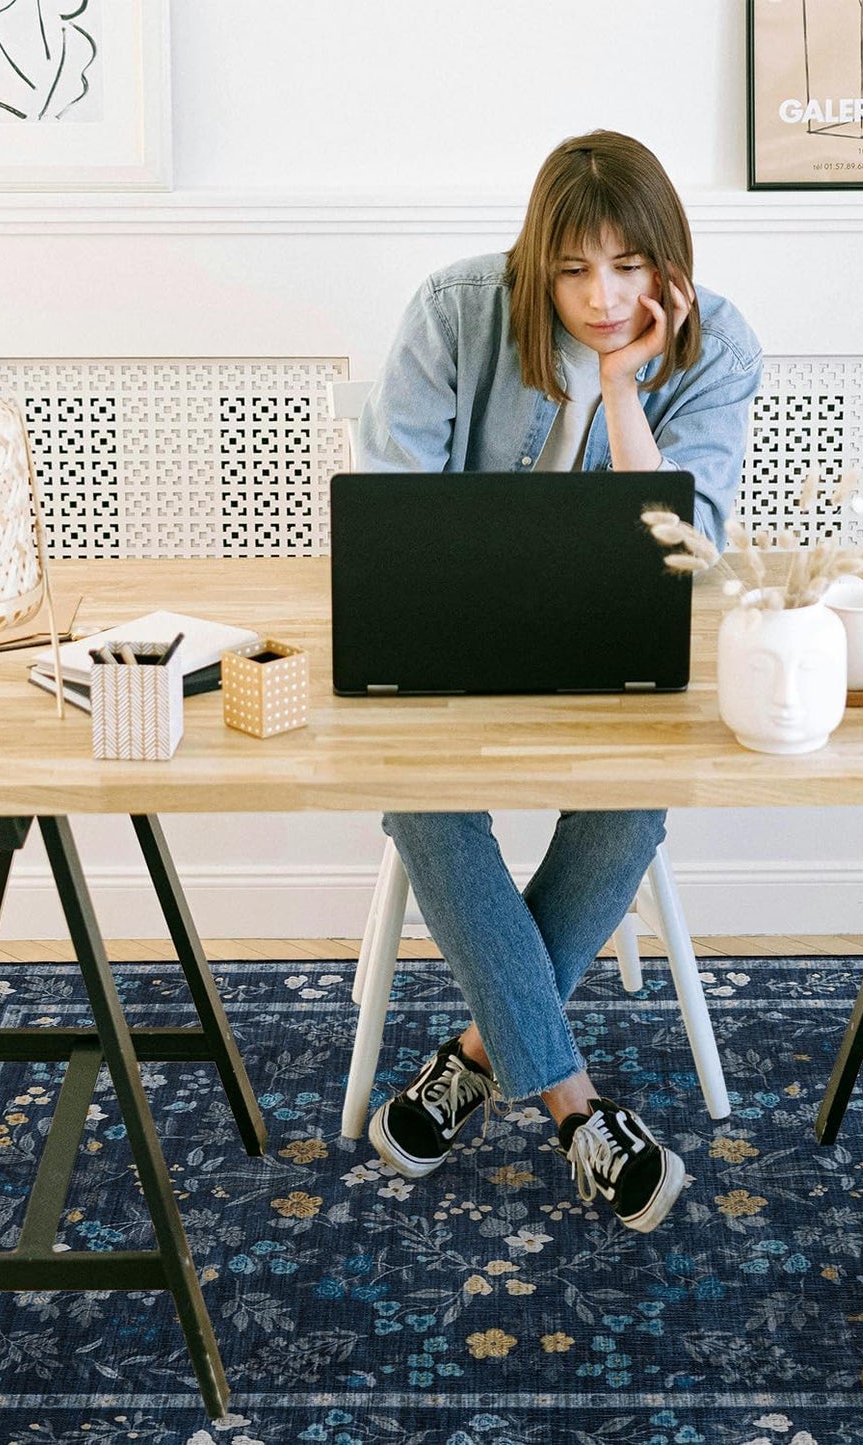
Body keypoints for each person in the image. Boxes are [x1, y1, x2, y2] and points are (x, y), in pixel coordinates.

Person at [357, 130, 762, 1233]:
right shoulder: (452, 310)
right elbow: (391, 512)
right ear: (536, 259)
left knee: (634, 794)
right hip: (451, 645)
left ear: (665, 263)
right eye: (573, 269)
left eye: (628, 267)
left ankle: (479, 1053)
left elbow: (684, 552)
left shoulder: (715, 345)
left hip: (613, 649)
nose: (599, 296)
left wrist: (626, 390)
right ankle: (578, 1109)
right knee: (424, 796)